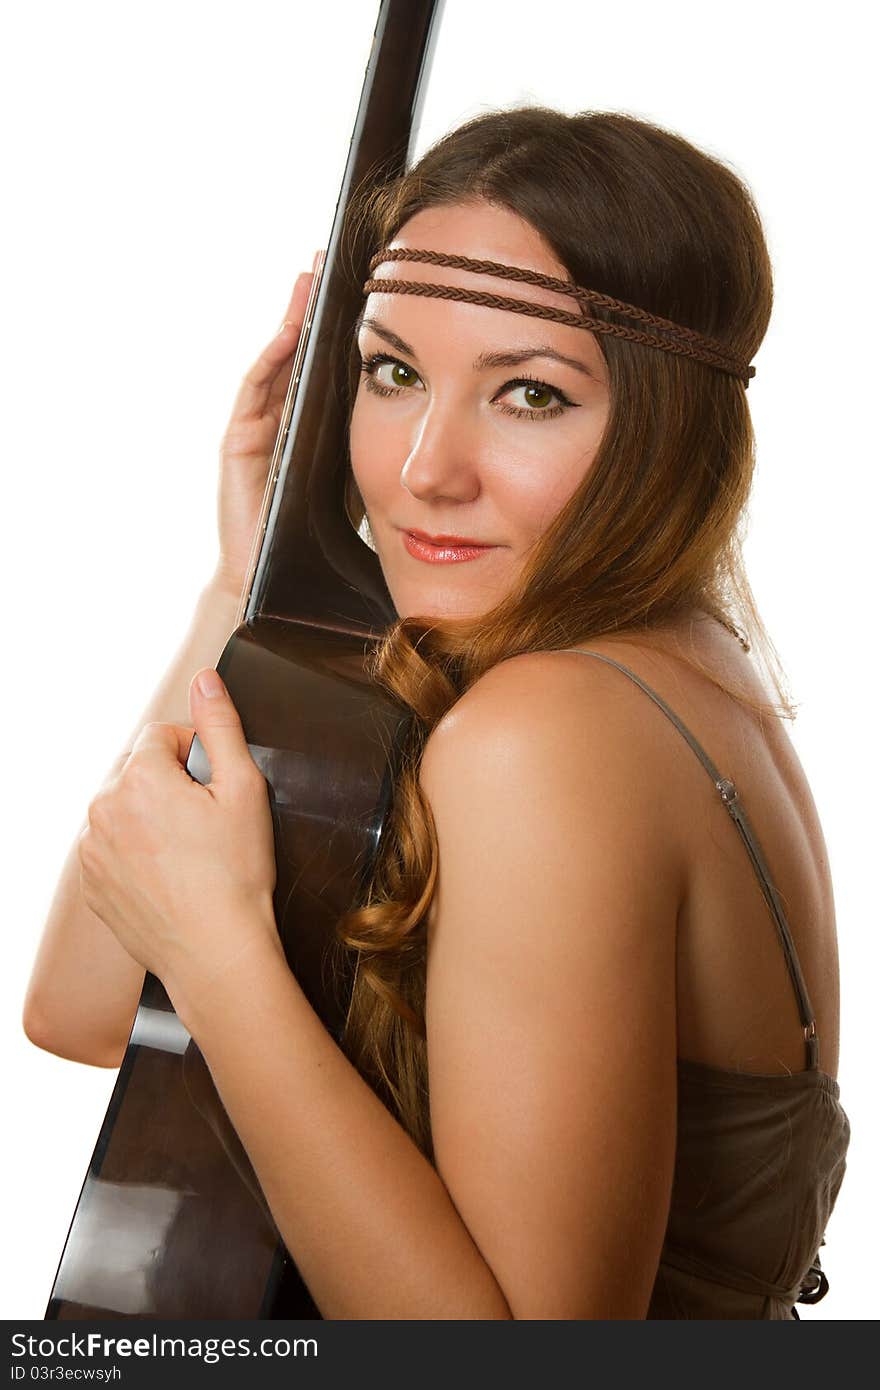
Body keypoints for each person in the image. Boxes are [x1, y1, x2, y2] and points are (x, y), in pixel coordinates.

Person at [23, 107, 850, 1320]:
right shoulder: (674, 666)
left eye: (527, 394)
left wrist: (221, 952)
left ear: (663, 431)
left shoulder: (544, 736)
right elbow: (86, 1006)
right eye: (393, 372)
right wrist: (247, 589)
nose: (423, 468)